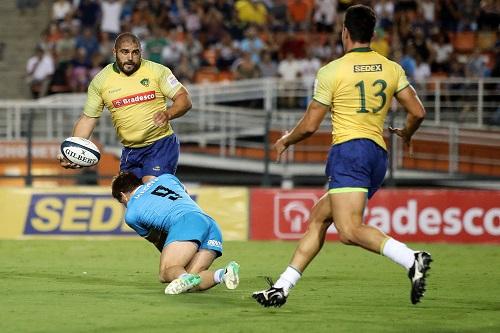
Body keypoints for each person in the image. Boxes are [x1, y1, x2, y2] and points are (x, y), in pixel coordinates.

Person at [252, 4, 431, 308]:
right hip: (376, 156)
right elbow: (418, 112)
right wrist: (407, 133)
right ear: (372, 34)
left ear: (344, 31)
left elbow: (310, 125)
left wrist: (286, 140)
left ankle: (411, 258)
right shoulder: (391, 67)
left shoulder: (332, 71)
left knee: (348, 231)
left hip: (349, 151)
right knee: (320, 217)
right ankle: (282, 287)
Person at [58, 32, 192, 183]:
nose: (130, 57)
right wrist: (72, 151)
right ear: (114, 52)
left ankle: (175, 196)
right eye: (124, 52)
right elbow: (88, 118)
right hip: (130, 150)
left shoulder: (157, 71)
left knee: (151, 187)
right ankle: (177, 194)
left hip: (160, 145)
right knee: (128, 199)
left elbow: (184, 99)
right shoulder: (101, 81)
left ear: (140, 52)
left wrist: (168, 114)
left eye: (135, 52)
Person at [111, 172, 240, 294]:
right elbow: (185, 195)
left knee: (166, 272)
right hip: (210, 224)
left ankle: (183, 277)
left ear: (123, 196)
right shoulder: (166, 178)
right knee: (192, 280)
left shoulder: (131, 214)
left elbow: (157, 239)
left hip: (185, 223)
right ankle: (223, 274)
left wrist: (176, 254)